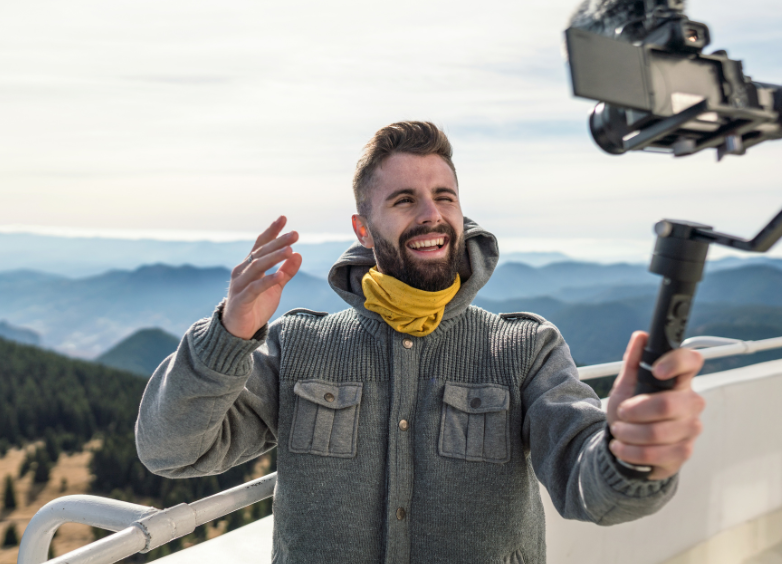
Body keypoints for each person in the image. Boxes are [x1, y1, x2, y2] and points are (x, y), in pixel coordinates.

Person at [136, 121, 705, 564]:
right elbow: (172, 450)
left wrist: (630, 457)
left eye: (445, 196)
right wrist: (229, 334)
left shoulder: (525, 349)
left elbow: (591, 488)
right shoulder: (298, 346)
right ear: (364, 228)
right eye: (404, 200)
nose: (432, 215)